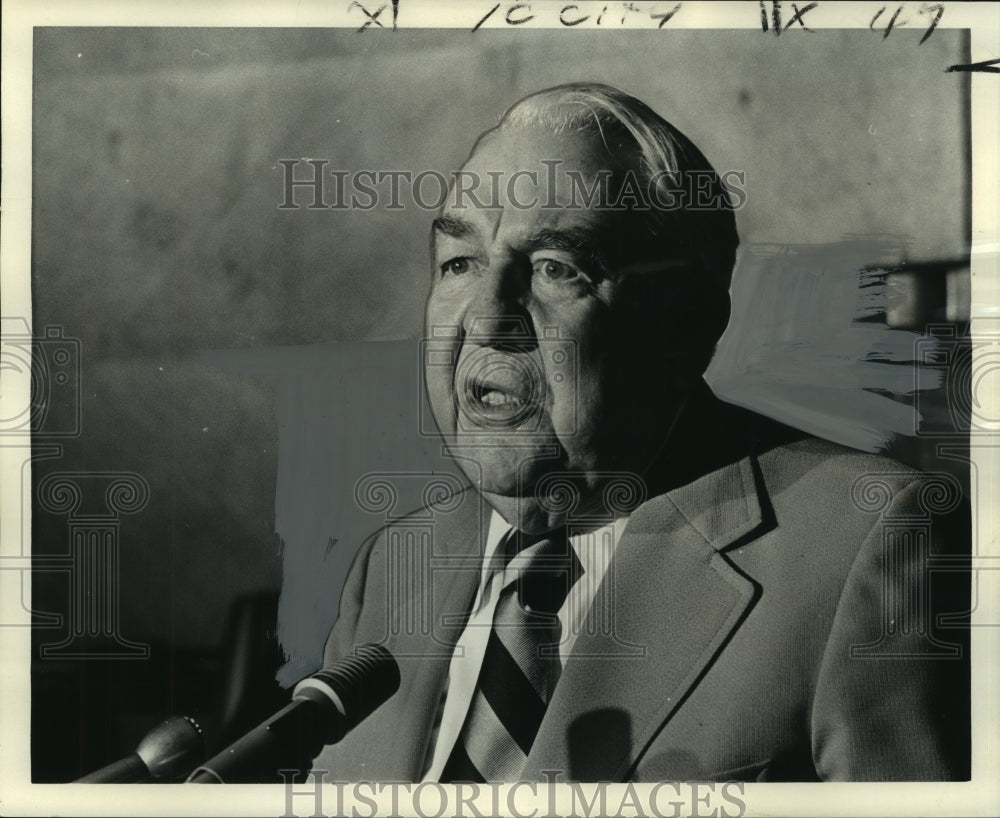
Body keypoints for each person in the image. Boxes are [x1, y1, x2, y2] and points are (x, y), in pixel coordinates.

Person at [311, 83, 969, 782]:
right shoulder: (392, 562)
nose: (485, 318)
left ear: (686, 322)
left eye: (556, 269)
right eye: (460, 263)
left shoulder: (866, 542)